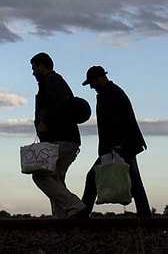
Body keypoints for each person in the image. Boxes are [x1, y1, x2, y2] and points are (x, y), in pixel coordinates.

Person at [78, 66, 151, 218]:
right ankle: (145, 215)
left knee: (93, 177)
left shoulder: (108, 94)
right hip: (125, 144)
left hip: (119, 146)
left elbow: (113, 122)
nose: (91, 86)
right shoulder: (113, 91)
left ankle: (83, 214)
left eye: (92, 82)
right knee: (133, 180)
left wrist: (114, 146)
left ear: (98, 78)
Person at [29, 52, 88, 219]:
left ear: (41, 66)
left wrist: (45, 122)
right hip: (68, 139)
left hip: (59, 139)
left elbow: (58, 105)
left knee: (40, 175)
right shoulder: (56, 81)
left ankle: (75, 206)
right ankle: (62, 219)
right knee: (56, 180)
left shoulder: (51, 81)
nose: (33, 72)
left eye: (34, 68)